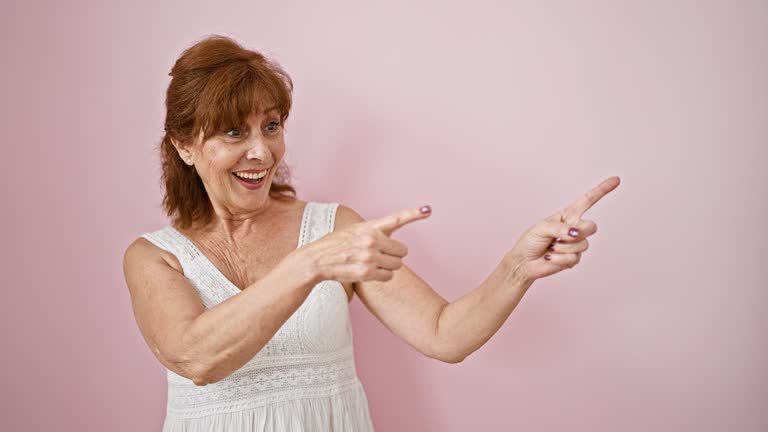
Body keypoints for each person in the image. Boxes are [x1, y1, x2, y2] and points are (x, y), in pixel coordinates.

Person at [122, 34, 621, 431]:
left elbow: (445, 335)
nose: (261, 152)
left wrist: (518, 267)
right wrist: (309, 264)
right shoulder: (154, 258)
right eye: (235, 132)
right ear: (185, 146)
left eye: (271, 126)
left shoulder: (335, 228)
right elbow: (195, 358)